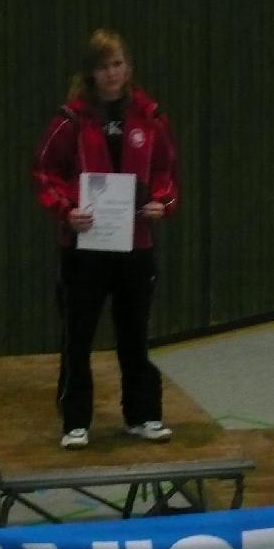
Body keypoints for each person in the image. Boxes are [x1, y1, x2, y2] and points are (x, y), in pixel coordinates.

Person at [32, 29, 178, 449]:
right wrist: (67, 209)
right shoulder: (71, 120)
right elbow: (45, 172)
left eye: (118, 64)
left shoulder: (151, 117)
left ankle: (142, 415)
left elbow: (167, 171)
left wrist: (162, 203)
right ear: (90, 73)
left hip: (136, 246)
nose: (112, 73)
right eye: (103, 66)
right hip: (85, 247)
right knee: (78, 337)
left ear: (128, 68)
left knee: (134, 335)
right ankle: (76, 421)